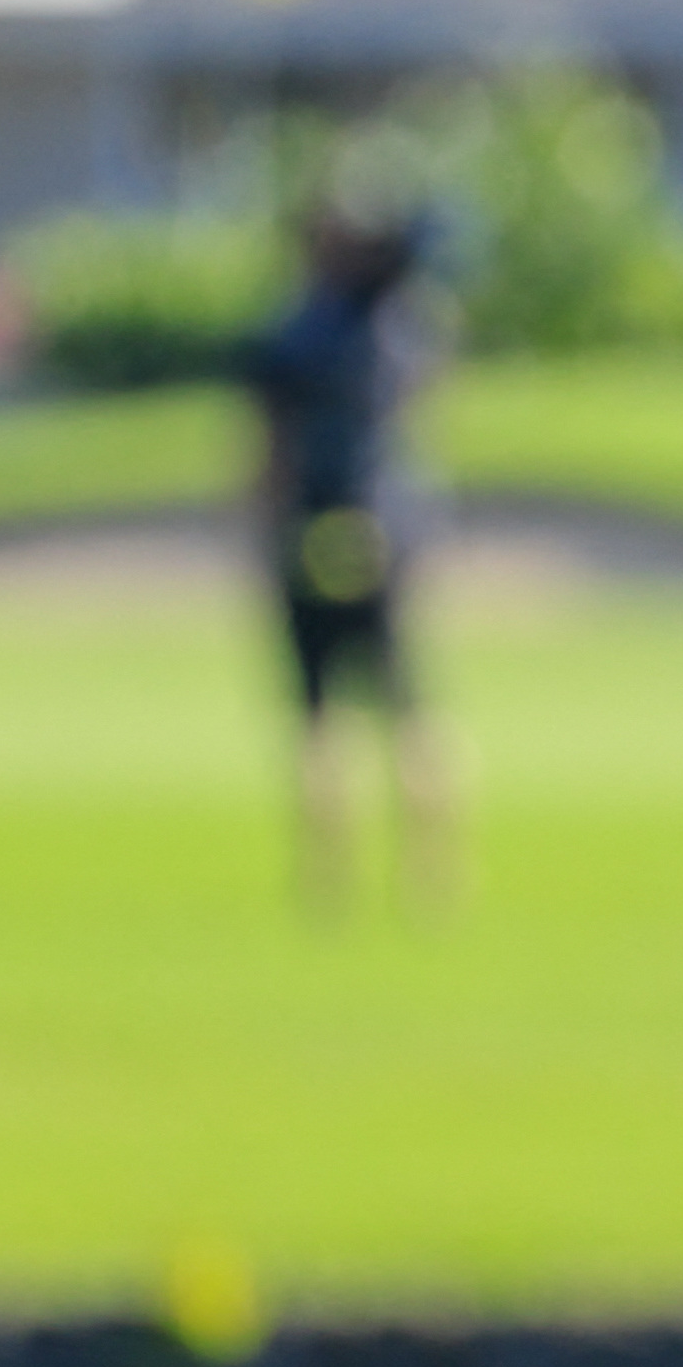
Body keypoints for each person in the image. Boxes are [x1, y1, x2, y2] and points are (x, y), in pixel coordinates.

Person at [241, 194, 458, 917]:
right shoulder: (396, 329)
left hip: (314, 527)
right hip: (384, 528)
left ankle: (326, 883)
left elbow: (269, 455)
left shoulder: (294, 336)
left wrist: (260, 536)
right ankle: (434, 876)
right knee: (406, 705)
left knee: (318, 712)